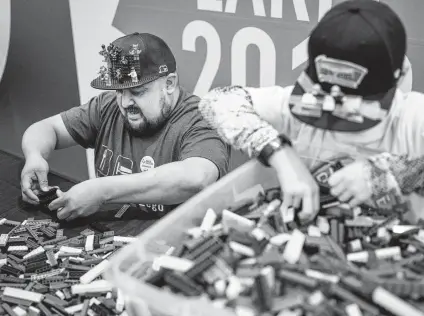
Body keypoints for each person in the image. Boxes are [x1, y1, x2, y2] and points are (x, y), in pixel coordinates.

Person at [199, 0, 424, 221]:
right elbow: (216, 101)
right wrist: (280, 155)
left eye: (354, 105)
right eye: (328, 99)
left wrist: (387, 174)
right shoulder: (302, 106)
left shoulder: (413, 117)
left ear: (401, 74)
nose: (337, 111)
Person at [20, 32, 230, 227]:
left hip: (176, 247)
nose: (125, 102)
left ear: (169, 83)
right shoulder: (107, 105)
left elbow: (196, 178)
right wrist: (35, 156)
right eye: (119, 91)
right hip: (109, 239)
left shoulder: (203, 119)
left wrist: (102, 190)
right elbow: (47, 128)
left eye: (137, 92)